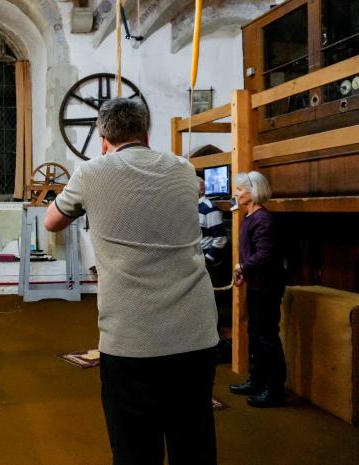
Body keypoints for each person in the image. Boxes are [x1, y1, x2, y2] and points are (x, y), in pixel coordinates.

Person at [44, 97, 218, 465]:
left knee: (136, 450)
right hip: (195, 333)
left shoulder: (91, 172)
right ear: (147, 134)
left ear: (103, 138)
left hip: (132, 339)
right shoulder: (185, 170)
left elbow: (51, 221)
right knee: (195, 444)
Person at [229, 171, 286, 408]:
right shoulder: (249, 217)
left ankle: (274, 390)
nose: (236, 193)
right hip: (256, 285)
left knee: (267, 338)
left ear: (253, 191)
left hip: (268, 288)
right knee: (255, 335)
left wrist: (243, 266)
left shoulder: (263, 219)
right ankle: (257, 380)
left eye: (240, 189)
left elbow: (265, 256)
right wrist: (244, 273)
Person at [198, 176, 228, 268]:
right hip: (196, 257)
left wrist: (208, 259)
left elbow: (220, 239)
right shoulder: (192, 206)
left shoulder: (210, 208)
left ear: (202, 190)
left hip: (207, 259)